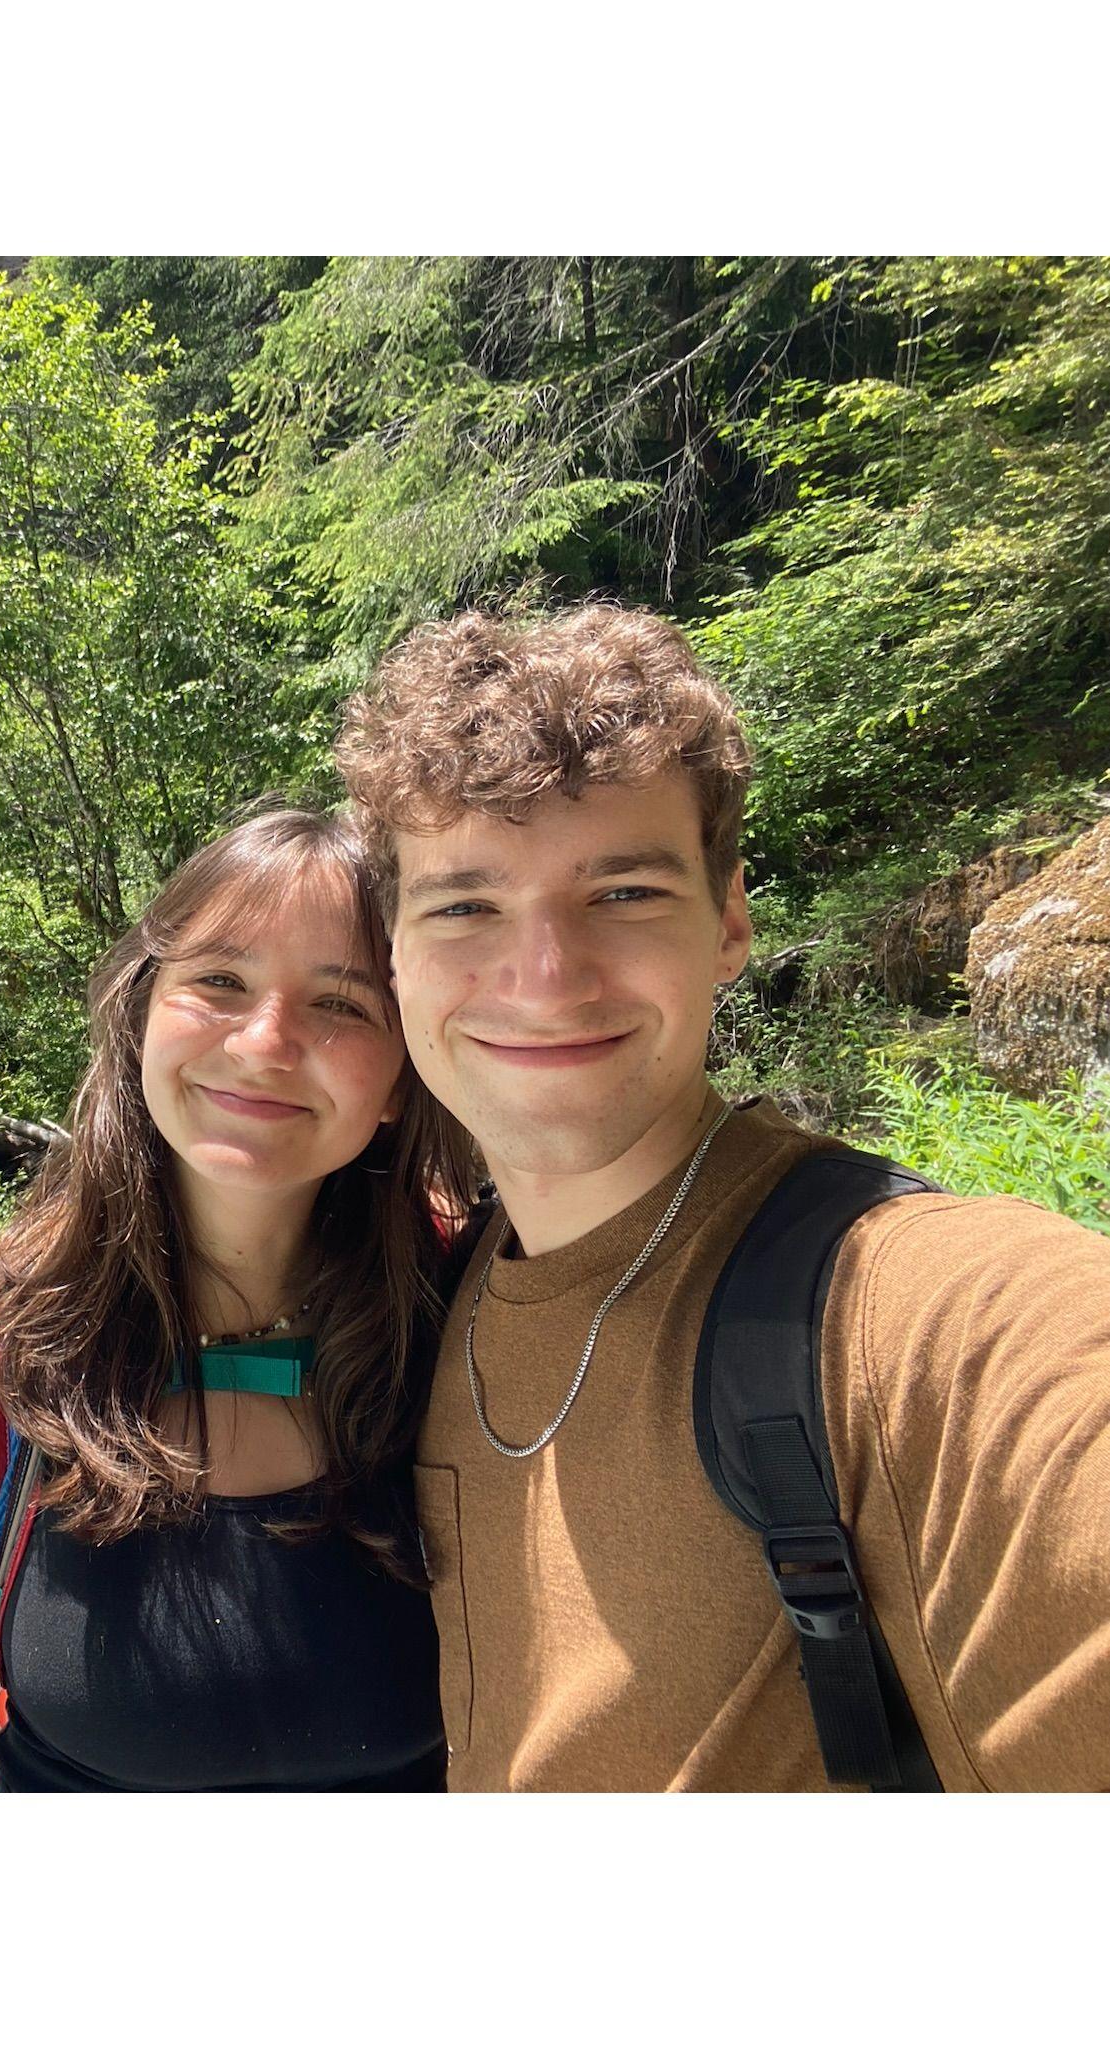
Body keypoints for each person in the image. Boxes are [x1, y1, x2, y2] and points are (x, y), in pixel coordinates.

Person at [337, 605, 1110, 1791]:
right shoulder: (432, 1301)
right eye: (465, 906)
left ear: (731, 921)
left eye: (625, 893)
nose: (545, 976)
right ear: (393, 953)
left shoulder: (906, 1317)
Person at [0, 808, 470, 1791]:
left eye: (340, 1004)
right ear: (140, 1017)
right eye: (219, 980)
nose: (265, 1042)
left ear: (401, 1074)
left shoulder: (475, 1321)